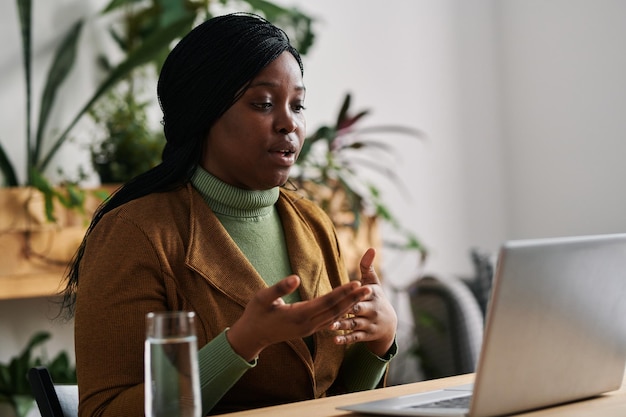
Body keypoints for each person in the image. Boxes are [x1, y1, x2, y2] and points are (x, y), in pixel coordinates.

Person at [61, 12, 398, 416]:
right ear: (204, 113)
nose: (289, 122)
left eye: (298, 104)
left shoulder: (312, 222)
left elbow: (327, 396)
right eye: (263, 103)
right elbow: (106, 411)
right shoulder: (136, 233)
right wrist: (240, 344)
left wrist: (379, 341)